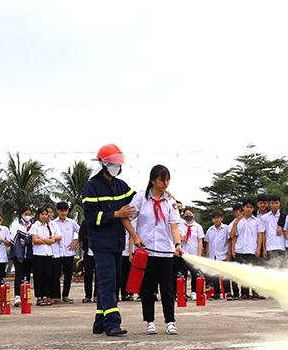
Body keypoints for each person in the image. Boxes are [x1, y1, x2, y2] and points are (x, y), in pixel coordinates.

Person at [83, 144, 139, 337]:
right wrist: (116, 213)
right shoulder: (91, 187)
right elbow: (91, 218)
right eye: (114, 164)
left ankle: (100, 322)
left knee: (112, 283)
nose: (117, 167)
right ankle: (112, 323)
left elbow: (137, 201)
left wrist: (160, 195)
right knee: (108, 283)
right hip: (102, 243)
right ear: (103, 164)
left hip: (117, 243)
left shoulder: (120, 185)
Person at [130, 164, 183, 334]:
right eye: (162, 179)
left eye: (168, 180)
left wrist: (178, 245)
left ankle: (170, 321)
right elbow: (127, 218)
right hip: (146, 252)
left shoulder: (171, 202)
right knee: (147, 288)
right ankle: (150, 321)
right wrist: (135, 238)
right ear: (153, 180)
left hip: (166, 251)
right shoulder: (140, 199)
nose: (165, 183)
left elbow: (174, 226)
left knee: (168, 288)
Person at [230, 198, 263, 299]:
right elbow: (232, 236)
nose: (249, 209)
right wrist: (233, 249)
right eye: (247, 207)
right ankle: (244, 293)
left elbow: (260, 235)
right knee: (242, 273)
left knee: (253, 272)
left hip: (252, 250)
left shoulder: (257, 221)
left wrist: (259, 249)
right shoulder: (238, 221)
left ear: (253, 209)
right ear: (243, 208)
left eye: (251, 207)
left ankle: (255, 292)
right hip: (240, 250)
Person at [51, 201, 80, 304]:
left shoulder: (72, 223)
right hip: (57, 253)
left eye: (65, 211)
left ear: (68, 211)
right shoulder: (53, 223)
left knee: (68, 275)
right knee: (56, 275)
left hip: (69, 253)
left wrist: (75, 242)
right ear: (57, 211)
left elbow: (82, 232)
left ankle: (66, 295)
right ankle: (57, 296)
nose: (63, 213)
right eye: (61, 211)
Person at [32, 205, 61, 306]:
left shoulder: (49, 226)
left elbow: (53, 240)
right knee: (38, 275)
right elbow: (35, 240)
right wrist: (46, 241)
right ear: (38, 215)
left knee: (47, 275)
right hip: (38, 254)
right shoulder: (35, 226)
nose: (44, 216)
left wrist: (42, 240)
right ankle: (39, 297)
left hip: (48, 253)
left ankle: (45, 296)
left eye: (46, 214)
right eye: (42, 214)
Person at [176, 207, 204, 296]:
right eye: (186, 215)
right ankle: (182, 292)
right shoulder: (181, 225)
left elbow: (200, 241)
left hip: (194, 254)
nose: (188, 216)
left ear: (193, 215)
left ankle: (194, 292)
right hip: (184, 254)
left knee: (195, 274)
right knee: (182, 274)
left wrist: (199, 255)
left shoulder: (198, 227)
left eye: (190, 214)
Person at [10, 207, 34, 306]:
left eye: (30, 214)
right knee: (19, 275)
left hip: (29, 255)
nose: (28, 216)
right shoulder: (17, 226)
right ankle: (17, 296)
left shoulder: (33, 227)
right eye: (26, 214)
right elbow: (15, 241)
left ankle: (26, 296)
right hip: (18, 256)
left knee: (27, 276)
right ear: (22, 215)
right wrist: (19, 256)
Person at [204, 209, 230, 299]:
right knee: (214, 276)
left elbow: (229, 241)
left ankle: (228, 292)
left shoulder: (226, 228)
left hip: (223, 254)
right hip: (213, 256)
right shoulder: (210, 230)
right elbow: (207, 243)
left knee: (225, 275)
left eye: (218, 218)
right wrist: (207, 256)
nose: (216, 220)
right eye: (214, 218)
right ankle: (217, 293)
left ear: (222, 218)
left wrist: (229, 254)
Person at [76, 220, 97, 303]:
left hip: (99, 252)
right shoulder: (85, 222)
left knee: (99, 275)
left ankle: (97, 295)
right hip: (88, 252)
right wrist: (91, 240)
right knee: (88, 274)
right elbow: (82, 235)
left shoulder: (102, 221)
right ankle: (88, 295)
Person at [263, 194, 287, 262]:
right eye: (272, 203)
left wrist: (286, 249)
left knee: (282, 270)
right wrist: (264, 249)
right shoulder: (265, 217)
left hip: (281, 247)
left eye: (276, 203)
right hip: (269, 247)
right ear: (269, 204)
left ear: (279, 203)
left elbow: (286, 232)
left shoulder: (284, 216)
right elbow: (263, 234)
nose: (274, 205)